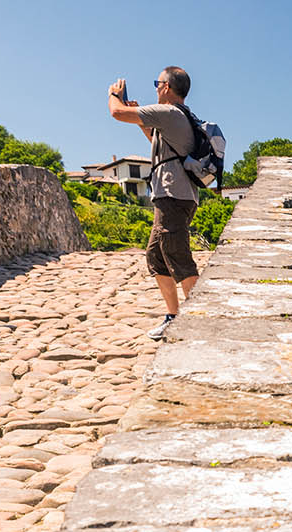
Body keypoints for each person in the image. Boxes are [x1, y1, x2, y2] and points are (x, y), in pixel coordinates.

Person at [108, 67, 201, 340]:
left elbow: (116, 113)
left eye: (157, 83)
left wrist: (114, 96)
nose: (155, 88)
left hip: (174, 196)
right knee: (157, 256)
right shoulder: (175, 117)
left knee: (176, 254)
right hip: (171, 195)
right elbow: (158, 143)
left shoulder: (170, 112)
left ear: (167, 87)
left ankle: (199, 318)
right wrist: (141, 122)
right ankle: (174, 317)